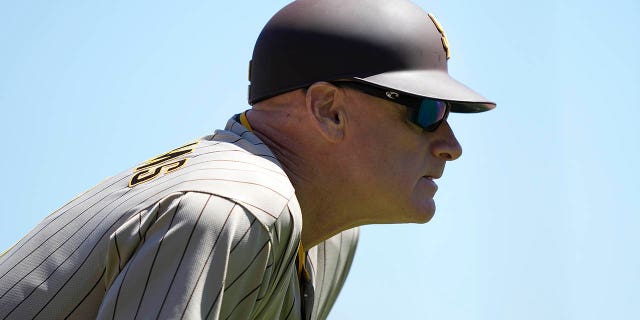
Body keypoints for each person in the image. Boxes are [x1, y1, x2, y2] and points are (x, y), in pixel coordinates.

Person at [0, 0, 495, 319]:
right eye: (426, 110)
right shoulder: (236, 209)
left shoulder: (329, 234)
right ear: (329, 111)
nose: (451, 144)